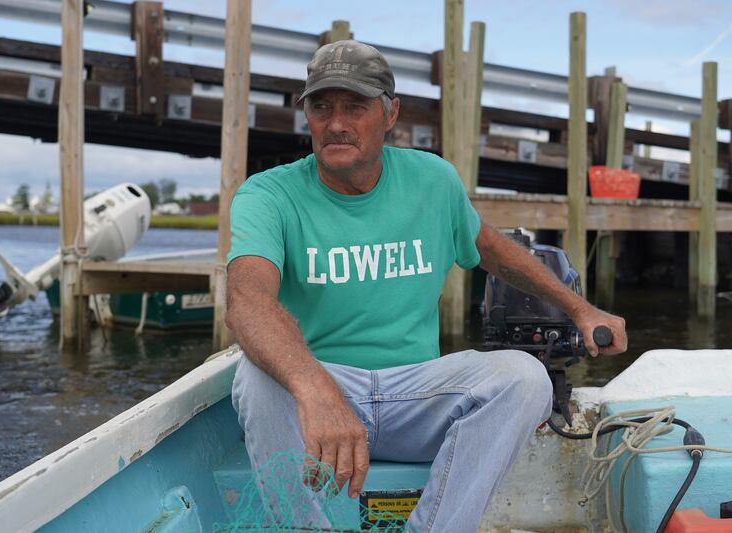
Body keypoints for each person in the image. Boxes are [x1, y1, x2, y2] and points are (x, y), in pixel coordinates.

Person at [224, 40, 627, 532]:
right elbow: (247, 298)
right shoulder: (268, 194)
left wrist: (580, 308)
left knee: (525, 379)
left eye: (355, 106)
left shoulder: (432, 181)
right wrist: (315, 388)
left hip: (417, 395)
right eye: (321, 106)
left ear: (390, 113)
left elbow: (495, 250)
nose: (336, 123)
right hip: (323, 395)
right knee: (256, 374)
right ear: (306, 114)